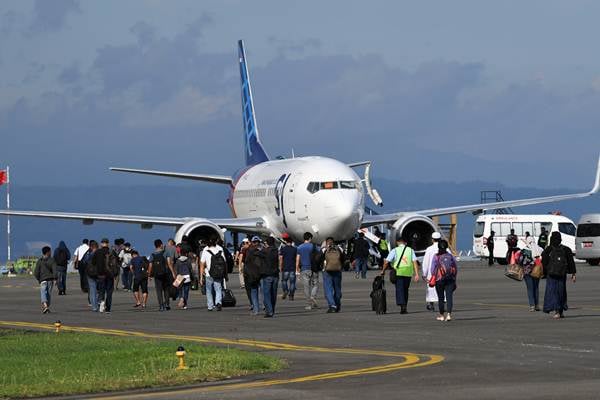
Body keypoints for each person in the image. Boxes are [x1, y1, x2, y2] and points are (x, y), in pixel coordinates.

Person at [381, 236, 420, 314]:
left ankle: (402, 305)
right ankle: (404, 305)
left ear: (397, 242)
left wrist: (383, 270)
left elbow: (386, 261)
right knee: (405, 290)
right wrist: (416, 274)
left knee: (399, 289)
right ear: (405, 242)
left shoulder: (394, 250)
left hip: (398, 272)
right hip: (408, 273)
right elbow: (415, 262)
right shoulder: (410, 250)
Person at [542, 231, 576, 319]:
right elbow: (571, 262)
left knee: (553, 292)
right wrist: (573, 273)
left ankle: (556, 311)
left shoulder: (548, 249)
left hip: (551, 274)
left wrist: (545, 273)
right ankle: (561, 311)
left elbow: (544, 262)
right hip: (562, 274)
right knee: (561, 292)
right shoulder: (566, 249)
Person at [431, 240, 458, 321]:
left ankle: (441, 315)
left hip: (439, 279)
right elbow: (455, 268)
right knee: (449, 297)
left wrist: (434, 276)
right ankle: (449, 314)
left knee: (441, 298)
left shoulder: (436, 256)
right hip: (450, 279)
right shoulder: (450, 256)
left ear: (438, 247)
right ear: (446, 247)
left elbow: (432, 269)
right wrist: (454, 278)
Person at [200, 236, 227, 312]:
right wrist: (225, 274)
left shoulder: (206, 250)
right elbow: (224, 262)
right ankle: (218, 302)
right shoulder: (220, 250)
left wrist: (201, 276)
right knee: (218, 289)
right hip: (218, 273)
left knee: (209, 290)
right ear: (216, 242)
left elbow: (202, 264)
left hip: (208, 274)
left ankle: (210, 306)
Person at [296, 232, 320, 310]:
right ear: (310, 238)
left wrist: (297, 269)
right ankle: (313, 296)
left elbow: (297, 259)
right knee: (315, 284)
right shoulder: (313, 246)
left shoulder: (299, 247)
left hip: (304, 269)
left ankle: (308, 304)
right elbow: (318, 256)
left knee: (306, 287)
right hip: (313, 268)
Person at [322, 237, 344, 313]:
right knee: (337, 289)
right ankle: (337, 304)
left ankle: (332, 305)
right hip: (337, 270)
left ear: (326, 242)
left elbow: (318, 259)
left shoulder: (324, 250)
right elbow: (343, 259)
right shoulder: (339, 249)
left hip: (327, 270)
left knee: (328, 289)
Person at [148, 239, 172, 312]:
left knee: (159, 291)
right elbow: (169, 263)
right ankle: (167, 304)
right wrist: (173, 273)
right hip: (165, 273)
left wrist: (149, 275)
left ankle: (161, 306)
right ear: (161, 245)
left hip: (157, 274)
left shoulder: (152, 254)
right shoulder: (165, 252)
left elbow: (150, 266)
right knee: (166, 289)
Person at [244, 236, 264, 315]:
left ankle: (256, 310)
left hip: (252, 275)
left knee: (254, 291)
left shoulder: (249, 251)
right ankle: (264, 305)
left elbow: (246, 263)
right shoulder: (262, 251)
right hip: (261, 273)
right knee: (263, 291)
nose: (256, 243)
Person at [421, 232, 441, 311]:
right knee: (442, 288)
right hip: (442, 273)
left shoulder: (429, 249)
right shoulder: (446, 248)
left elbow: (426, 262)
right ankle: (442, 303)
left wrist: (424, 273)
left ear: (432, 239)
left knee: (431, 288)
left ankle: (431, 304)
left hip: (431, 273)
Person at [34, 246, 56, 314]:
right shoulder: (52, 260)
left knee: (43, 293)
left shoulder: (39, 261)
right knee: (48, 294)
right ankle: (46, 306)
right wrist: (55, 278)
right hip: (50, 279)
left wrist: (39, 279)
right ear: (48, 252)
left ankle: (45, 305)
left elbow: (36, 272)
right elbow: (54, 270)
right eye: (50, 251)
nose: (51, 252)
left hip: (42, 279)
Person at [261, 236, 280, 317]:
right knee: (273, 293)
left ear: (267, 243)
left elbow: (256, 253)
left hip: (267, 274)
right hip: (275, 274)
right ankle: (272, 309)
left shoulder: (265, 251)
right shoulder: (276, 251)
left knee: (266, 294)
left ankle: (269, 311)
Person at [94, 238, 113, 313]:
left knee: (101, 290)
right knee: (109, 292)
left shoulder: (98, 252)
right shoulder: (111, 251)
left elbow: (93, 262)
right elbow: (117, 262)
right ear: (108, 243)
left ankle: (101, 302)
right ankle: (108, 308)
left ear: (101, 244)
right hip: (110, 275)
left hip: (101, 275)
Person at [279, 235, 297, 300]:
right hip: (292, 268)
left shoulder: (283, 249)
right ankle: (291, 295)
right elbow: (296, 259)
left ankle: (285, 291)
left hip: (285, 267)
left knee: (284, 281)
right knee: (292, 282)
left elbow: (281, 259)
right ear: (292, 242)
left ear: (286, 242)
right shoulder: (295, 249)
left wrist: (280, 267)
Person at [85, 241, 99, 311]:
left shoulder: (88, 254)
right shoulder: (99, 254)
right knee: (98, 290)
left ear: (91, 247)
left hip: (90, 274)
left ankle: (94, 306)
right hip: (98, 273)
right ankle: (98, 303)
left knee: (92, 290)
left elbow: (85, 262)